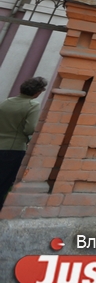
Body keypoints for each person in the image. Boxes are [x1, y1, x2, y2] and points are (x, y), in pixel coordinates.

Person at [0, 77, 48, 209]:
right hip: (13, 148)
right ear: (37, 92)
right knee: (3, 182)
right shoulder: (32, 105)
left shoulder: (6, 102)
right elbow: (30, 129)